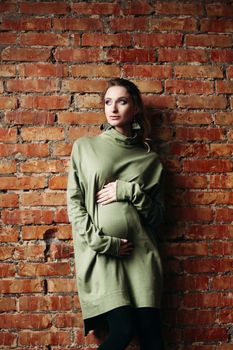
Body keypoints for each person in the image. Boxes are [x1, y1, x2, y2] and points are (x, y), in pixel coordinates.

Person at [67, 78, 165, 350]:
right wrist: (103, 243)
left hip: (141, 257)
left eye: (122, 101)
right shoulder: (85, 147)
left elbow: (157, 217)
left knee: (153, 340)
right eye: (108, 101)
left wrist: (129, 191)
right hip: (103, 255)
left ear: (134, 108)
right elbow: (75, 203)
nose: (113, 108)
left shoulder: (150, 160)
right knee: (122, 331)